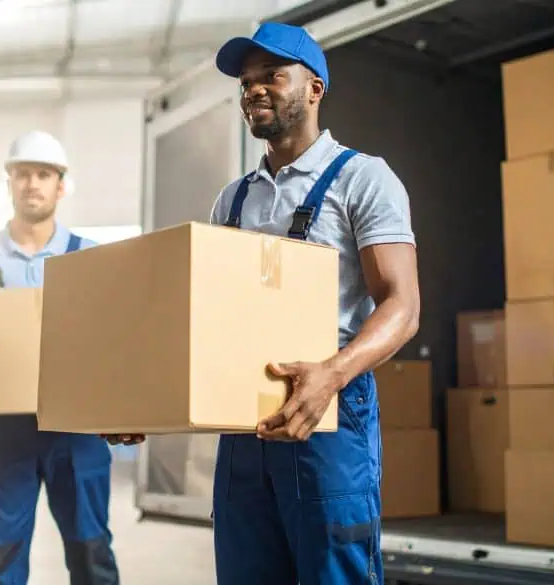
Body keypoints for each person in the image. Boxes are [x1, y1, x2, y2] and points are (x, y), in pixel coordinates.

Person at [107, 22, 421, 585]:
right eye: (246, 82)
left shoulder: (363, 180)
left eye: (272, 76)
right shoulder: (232, 200)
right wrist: (144, 403)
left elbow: (402, 306)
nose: (254, 90)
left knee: (334, 574)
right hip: (243, 429)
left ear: (315, 88)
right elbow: (202, 322)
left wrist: (331, 374)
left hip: (329, 420)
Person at [0, 130, 121, 585]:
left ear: (61, 185)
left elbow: (118, 340)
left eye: (44, 174)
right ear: (9, 183)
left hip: (75, 429)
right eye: (23, 174)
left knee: (91, 554)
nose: (32, 184)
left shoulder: (91, 259)